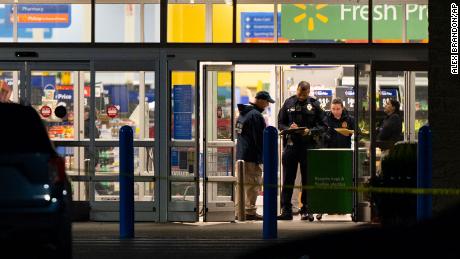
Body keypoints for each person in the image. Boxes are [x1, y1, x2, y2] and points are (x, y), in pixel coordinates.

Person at [277, 81, 327, 220]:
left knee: (307, 180)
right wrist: (288, 127)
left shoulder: (315, 105)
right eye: (299, 93)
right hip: (291, 146)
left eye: (303, 94)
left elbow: (324, 125)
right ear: (297, 90)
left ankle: (306, 209)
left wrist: (310, 131)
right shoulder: (288, 103)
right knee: (288, 179)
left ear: (308, 92)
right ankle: (286, 210)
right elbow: (280, 123)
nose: (300, 96)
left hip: (308, 146)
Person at [235, 91, 275, 220]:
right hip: (251, 156)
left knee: (242, 185)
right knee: (253, 184)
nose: (267, 105)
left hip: (241, 155)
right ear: (260, 100)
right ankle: (249, 212)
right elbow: (259, 139)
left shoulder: (243, 113)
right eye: (267, 102)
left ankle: (239, 211)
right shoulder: (256, 116)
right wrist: (263, 157)